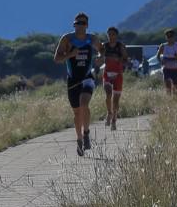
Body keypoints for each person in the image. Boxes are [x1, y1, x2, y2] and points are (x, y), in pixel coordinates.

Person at [54, 13, 98, 156]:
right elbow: (57, 59)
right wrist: (70, 55)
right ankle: (79, 139)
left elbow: (103, 50)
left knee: (84, 104)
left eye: (83, 23)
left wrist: (101, 58)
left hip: (87, 77)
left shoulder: (92, 39)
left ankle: (86, 133)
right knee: (77, 112)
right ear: (74, 25)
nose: (80, 25)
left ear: (87, 25)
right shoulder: (67, 39)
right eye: (77, 23)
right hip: (73, 80)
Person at [98, 26, 128, 131]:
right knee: (108, 94)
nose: (111, 36)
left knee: (115, 101)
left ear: (116, 35)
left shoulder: (120, 46)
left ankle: (114, 120)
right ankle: (109, 112)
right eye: (109, 34)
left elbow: (126, 60)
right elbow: (100, 57)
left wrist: (118, 60)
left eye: (113, 34)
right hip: (107, 73)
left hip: (118, 75)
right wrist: (100, 59)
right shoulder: (104, 46)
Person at [157, 29, 177, 95]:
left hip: (175, 69)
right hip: (166, 69)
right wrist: (161, 62)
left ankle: (175, 101)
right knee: (168, 86)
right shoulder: (163, 46)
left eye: (171, 37)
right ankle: (169, 100)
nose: (170, 39)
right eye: (168, 37)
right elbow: (157, 56)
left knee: (176, 88)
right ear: (166, 37)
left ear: (174, 37)